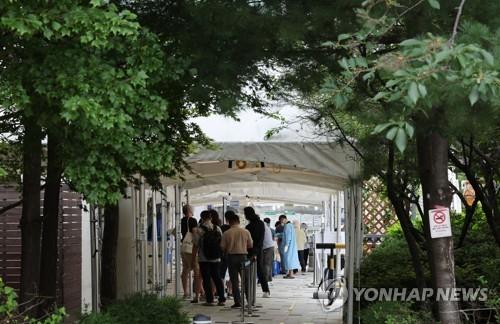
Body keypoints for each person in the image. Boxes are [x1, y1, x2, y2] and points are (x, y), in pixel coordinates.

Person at [192, 210, 226, 306]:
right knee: (217, 278)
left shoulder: (199, 230)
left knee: (206, 278)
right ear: (211, 218)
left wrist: (193, 258)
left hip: (203, 258)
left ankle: (210, 300)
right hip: (216, 258)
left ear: (202, 218)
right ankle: (222, 298)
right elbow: (221, 243)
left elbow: (195, 245)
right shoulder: (218, 228)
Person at [221, 212, 253, 308]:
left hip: (231, 258)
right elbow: (250, 245)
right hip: (244, 257)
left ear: (230, 222)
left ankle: (237, 302)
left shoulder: (226, 233)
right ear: (238, 222)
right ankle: (249, 301)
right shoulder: (246, 232)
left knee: (234, 281)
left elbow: (222, 247)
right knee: (246, 280)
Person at [244, 207, 271, 298]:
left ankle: (250, 292)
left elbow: (248, 241)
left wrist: (253, 251)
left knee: (248, 270)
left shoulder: (248, 227)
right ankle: (266, 290)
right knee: (260, 270)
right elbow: (261, 239)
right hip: (259, 250)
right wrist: (257, 250)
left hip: (250, 251)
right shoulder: (261, 224)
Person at [180, 205, 202, 301]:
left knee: (185, 269)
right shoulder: (192, 220)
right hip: (190, 247)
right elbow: (194, 232)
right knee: (196, 270)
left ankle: (185, 292)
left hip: (183, 247)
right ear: (189, 210)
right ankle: (199, 293)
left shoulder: (181, 220)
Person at [262, 216, 275, 284]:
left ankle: (266, 280)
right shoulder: (270, 229)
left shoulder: (262, 227)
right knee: (269, 263)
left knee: (266, 264)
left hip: (266, 248)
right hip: (271, 247)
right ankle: (269, 278)